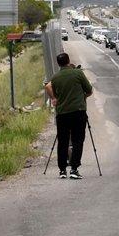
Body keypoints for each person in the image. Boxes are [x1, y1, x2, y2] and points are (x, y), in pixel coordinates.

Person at [45, 52, 93, 180]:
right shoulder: (77, 73)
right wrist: (81, 97)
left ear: (58, 63)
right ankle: (74, 169)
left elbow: (51, 90)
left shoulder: (55, 78)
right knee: (78, 140)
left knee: (63, 142)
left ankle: (62, 170)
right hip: (78, 112)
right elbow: (89, 90)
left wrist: (55, 99)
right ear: (68, 61)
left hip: (62, 114)